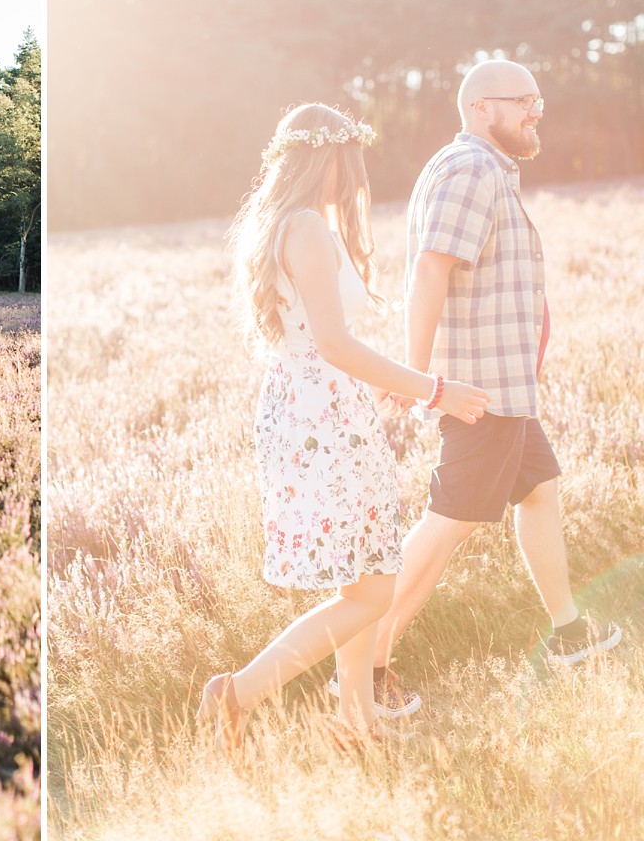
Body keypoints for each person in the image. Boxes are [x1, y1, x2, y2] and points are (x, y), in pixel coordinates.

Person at [329, 59, 622, 719]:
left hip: (503, 389)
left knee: (539, 492)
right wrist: (419, 378)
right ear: (481, 108)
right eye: (524, 101)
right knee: (444, 531)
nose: (537, 111)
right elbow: (430, 272)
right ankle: (363, 671)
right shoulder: (470, 168)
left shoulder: (489, 170)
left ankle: (569, 632)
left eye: (539, 101)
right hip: (478, 392)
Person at [197, 103, 489, 748]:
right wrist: (431, 389)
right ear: (331, 158)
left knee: (361, 575)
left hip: (316, 408)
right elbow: (332, 343)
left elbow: (321, 343)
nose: (359, 175)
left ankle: (355, 722)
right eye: (352, 160)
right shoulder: (304, 227)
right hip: (321, 417)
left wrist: (380, 387)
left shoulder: (285, 222)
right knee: (371, 591)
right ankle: (236, 693)